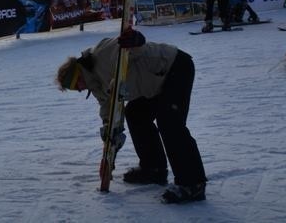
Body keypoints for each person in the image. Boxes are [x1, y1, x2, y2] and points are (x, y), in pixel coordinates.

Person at [56, 33, 207, 204]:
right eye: (76, 90)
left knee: (169, 122)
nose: (80, 90)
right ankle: (153, 168)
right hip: (153, 84)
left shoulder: (101, 53)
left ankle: (193, 183)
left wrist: (136, 40)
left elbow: (130, 48)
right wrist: (109, 131)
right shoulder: (96, 84)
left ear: (78, 74)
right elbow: (109, 107)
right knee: (135, 113)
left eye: (76, 85)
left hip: (173, 67)